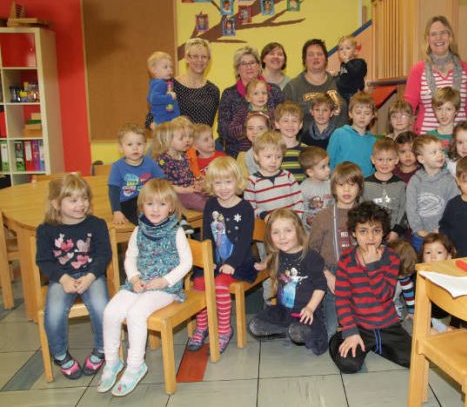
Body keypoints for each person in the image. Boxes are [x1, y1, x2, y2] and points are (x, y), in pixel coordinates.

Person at [98, 179, 191, 396]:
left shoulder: (176, 231)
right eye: (150, 204)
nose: (155, 209)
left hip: (164, 288)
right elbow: (130, 258)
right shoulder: (138, 230)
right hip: (139, 284)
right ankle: (112, 362)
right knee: (110, 311)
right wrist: (133, 278)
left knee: (135, 314)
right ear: (142, 207)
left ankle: (135, 364)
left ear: (171, 207)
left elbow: (186, 263)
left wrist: (166, 280)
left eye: (161, 204)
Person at [36, 174, 111, 380]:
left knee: (101, 306)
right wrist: (63, 279)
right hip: (62, 278)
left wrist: (90, 276)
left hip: (91, 275)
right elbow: (44, 261)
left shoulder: (96, 224)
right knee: (55, 311)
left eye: (84, 198)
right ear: (56, 203)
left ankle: (101, 350)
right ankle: (60, 355)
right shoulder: (45, 230)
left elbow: (104, 254)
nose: (81, 204)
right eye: (73, 200)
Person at [329, 201, 411, 373]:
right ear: (353, 234)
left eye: (376, 231)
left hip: (388, 325)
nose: (370, 238)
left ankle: (376, 344)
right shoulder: (346, 260)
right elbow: (342, 299)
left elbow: (385, 295)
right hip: (359, 326)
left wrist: (373, 265)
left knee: (413, 359)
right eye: (363, 231)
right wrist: (350, 331)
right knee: (348, 365)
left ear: (384, 233)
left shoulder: (392, 258)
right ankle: (343, 339)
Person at [187, 157, 257, 354]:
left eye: (228, 182)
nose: (224, 188)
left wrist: (232, 263)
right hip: (215, 259)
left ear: (238, 182)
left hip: (240, 261)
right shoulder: (210, 205)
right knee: (199, 283)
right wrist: (207, 262)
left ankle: (225, 330)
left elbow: (244, 242)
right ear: (211, 184)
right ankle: (203, 325)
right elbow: (207, 236)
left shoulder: (245, 208)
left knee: (218, 284)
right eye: (218, 183)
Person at [248, 210, 328, 353]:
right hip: (283, 311)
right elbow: (271, 255)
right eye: (276, 233)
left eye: (288, 231)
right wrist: (264, 263)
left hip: (307, 313)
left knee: (299, 330)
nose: (282, 237)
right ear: (270, 236)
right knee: (254, 325)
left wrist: (310, 308)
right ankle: (288, 331)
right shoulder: (279, 253)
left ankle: (310, 334)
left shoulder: (310, 256)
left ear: (298, 231)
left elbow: (321, 286)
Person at [309, 162, 363, 337]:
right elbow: (312, 252)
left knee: (357, 331)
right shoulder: (323, 216)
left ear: (360, 188)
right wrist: (327, 275)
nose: (346, 190)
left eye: (352, 185)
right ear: (333, 188)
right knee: (332, 333)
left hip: (359, 272)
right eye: (341, 185)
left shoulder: (365, 214)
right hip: (331, 273)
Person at [404, 15, 467, 134]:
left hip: (460, 142)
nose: (439, 38)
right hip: (426, 142)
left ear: (450, 36)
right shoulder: (417, 70)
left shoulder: (465, 69)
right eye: (433, 34)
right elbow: (407, 109)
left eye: (443, 33)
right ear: (427, 39)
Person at [218, 46, 284, 155]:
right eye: (243, 63)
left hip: (270, 151)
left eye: (252, 62)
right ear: (237, 69)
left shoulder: (274, 91)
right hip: (238, 153)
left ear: (259, 65)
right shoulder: (229, 94)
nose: (249, 67)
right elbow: (222, 130)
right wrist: (250, 130)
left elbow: (282, 122)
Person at [145, 38, 220, 131]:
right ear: (187, 58)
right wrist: (162, 132)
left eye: (204, 57)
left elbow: (210, 126)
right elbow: (150, 118)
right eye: (195, 56)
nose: (200, 60)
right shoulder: (170, 85)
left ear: (208, 60)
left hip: (202, 144)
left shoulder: (213, 90)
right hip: (176, 144)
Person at [406, 134, 459, 247]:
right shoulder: (415, 181)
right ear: (421, 159)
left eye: (441, 150)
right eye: (434, 152)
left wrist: (441, 228)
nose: (440, 154)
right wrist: (419, 229)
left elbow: (453, 208)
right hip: (420, 237)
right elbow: (411, 208)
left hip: (443, 236)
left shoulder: (450, 181)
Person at [108, 123, 164, 225]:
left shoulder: (150, 163)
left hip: (149, 199)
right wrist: (116, 211)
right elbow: (113, 192)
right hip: (127, 202)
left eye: (139, 144)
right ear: (121, 148)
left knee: (164, 209)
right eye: (130, 144)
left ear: (145, 146)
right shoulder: (117, 167)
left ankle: (180, 222)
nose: (135, 148)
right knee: (144, 219)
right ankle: (149, 230)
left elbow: (162, 182)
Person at [283, 39, 345, 128]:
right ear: (304, 60)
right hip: (305, 141)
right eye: (311, 55)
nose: (316, 57)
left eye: (319, 54)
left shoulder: (340, 82)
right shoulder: (292, 87)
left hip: (340, 140)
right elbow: (284, 119)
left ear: (326, 59)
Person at [244, 130, 303, 220]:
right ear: (256, 156)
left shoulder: (288, 176)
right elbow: (249, 207)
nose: (274, 161)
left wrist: (296, 219)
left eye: (278, 157)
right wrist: (264, 215)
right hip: (266, 228)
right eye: (268, 156)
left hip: (290, 225)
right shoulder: (252, 181)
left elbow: (298, 200)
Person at [154, 118, 207, 212]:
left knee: (211, 195)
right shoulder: (162, 160)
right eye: (181, 138)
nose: (187, 140)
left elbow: (188, 176)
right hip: (176, 194)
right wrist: (184, 190)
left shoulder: (183, 156)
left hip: (189, 190)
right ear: (168, 141)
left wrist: (195, 183)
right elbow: (163, 184)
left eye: (189, 136)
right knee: (201, 203)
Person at [223, 76, 282, 157]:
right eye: (256, 93)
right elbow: (231, 131)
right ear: (248, 98)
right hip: (246, 152)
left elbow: (278, 132)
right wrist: (247, 128)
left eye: (264, 93)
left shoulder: (272, 113)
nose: (261, 96)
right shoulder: (242, 113)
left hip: (267, 152)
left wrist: (271, 128)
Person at [363, 138, 406, 244]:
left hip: (395, 236)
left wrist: (396, 231)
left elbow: (404, 210)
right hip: (371, 236)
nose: (384, 163)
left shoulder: (401, 185)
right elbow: (361, 209)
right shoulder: (365, 184)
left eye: (389, 159)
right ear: (373, 159)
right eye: (380, 159)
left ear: (396, 160)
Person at [418, 233, 461, 332]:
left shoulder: (453, 277)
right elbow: (422, 309)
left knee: (454, 334)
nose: (433, 257)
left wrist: (454, 325)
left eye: (439, 252)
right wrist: (429, 326)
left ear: (449, 257)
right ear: (423, 257)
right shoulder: (421, 278)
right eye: (428, 253)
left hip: (450, 318)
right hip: (432, 319)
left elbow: (458, 305)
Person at [327, 92, 377, 177]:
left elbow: (374, 169)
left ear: (372, 116)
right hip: (341, 185)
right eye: (358, 112)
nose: (362, 116)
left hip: (366, 186)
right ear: (350, 114)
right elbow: (329, 161)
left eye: (367, 113)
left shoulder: (374, 141)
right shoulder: (339, 134)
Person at [299, 146, 332, 230]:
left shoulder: (331, 184)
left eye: (328, 165)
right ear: (310, 172)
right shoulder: (304, 188)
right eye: (323, 167)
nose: (328, 169)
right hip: (309, 230)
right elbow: (298, 209)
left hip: (327, 226)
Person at [274, 102, 308, 183]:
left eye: (294, 121)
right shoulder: (272, 150)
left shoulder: (307, 150)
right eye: (286, 121)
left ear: (300, 125)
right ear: (277, 124)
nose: (290, 125)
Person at [146, 51, 178, 126]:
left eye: (171, 67)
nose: (170, 70)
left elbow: (149, 98)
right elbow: (154, 99)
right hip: (165, 120)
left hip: (162, 120)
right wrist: (170, 97)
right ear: (154, 70)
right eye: (165, 67)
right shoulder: (161, 84)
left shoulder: (154, 83)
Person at [237, 111, 270, 178]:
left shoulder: (276, 149)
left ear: (268, 130)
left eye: (260, 128)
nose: (255, 132)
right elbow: (254, 178)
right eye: (250, 128)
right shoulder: (248, 155)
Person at [335, 35, 367, 103]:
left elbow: (356, 73)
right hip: (343, 95)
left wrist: (347, 61)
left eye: (347, 48)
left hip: (354, 95)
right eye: (341, 49)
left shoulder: (359, 62)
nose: (344, 51)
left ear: (355, 51)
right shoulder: (343, 64)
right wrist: (337, 73)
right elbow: (346, 75)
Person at [426, 86, 459, 150]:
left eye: (448, 109)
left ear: (456, 111)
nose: (443, 113)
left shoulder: (461, 135)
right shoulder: (429, 136)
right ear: (434, 111)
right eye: (439, 109)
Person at [390, 239, 417, 320]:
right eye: (404, 274)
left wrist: (412, 312)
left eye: (409, 273)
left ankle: (395, 301)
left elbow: (409, 294)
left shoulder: (404, 278)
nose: (407, 276)